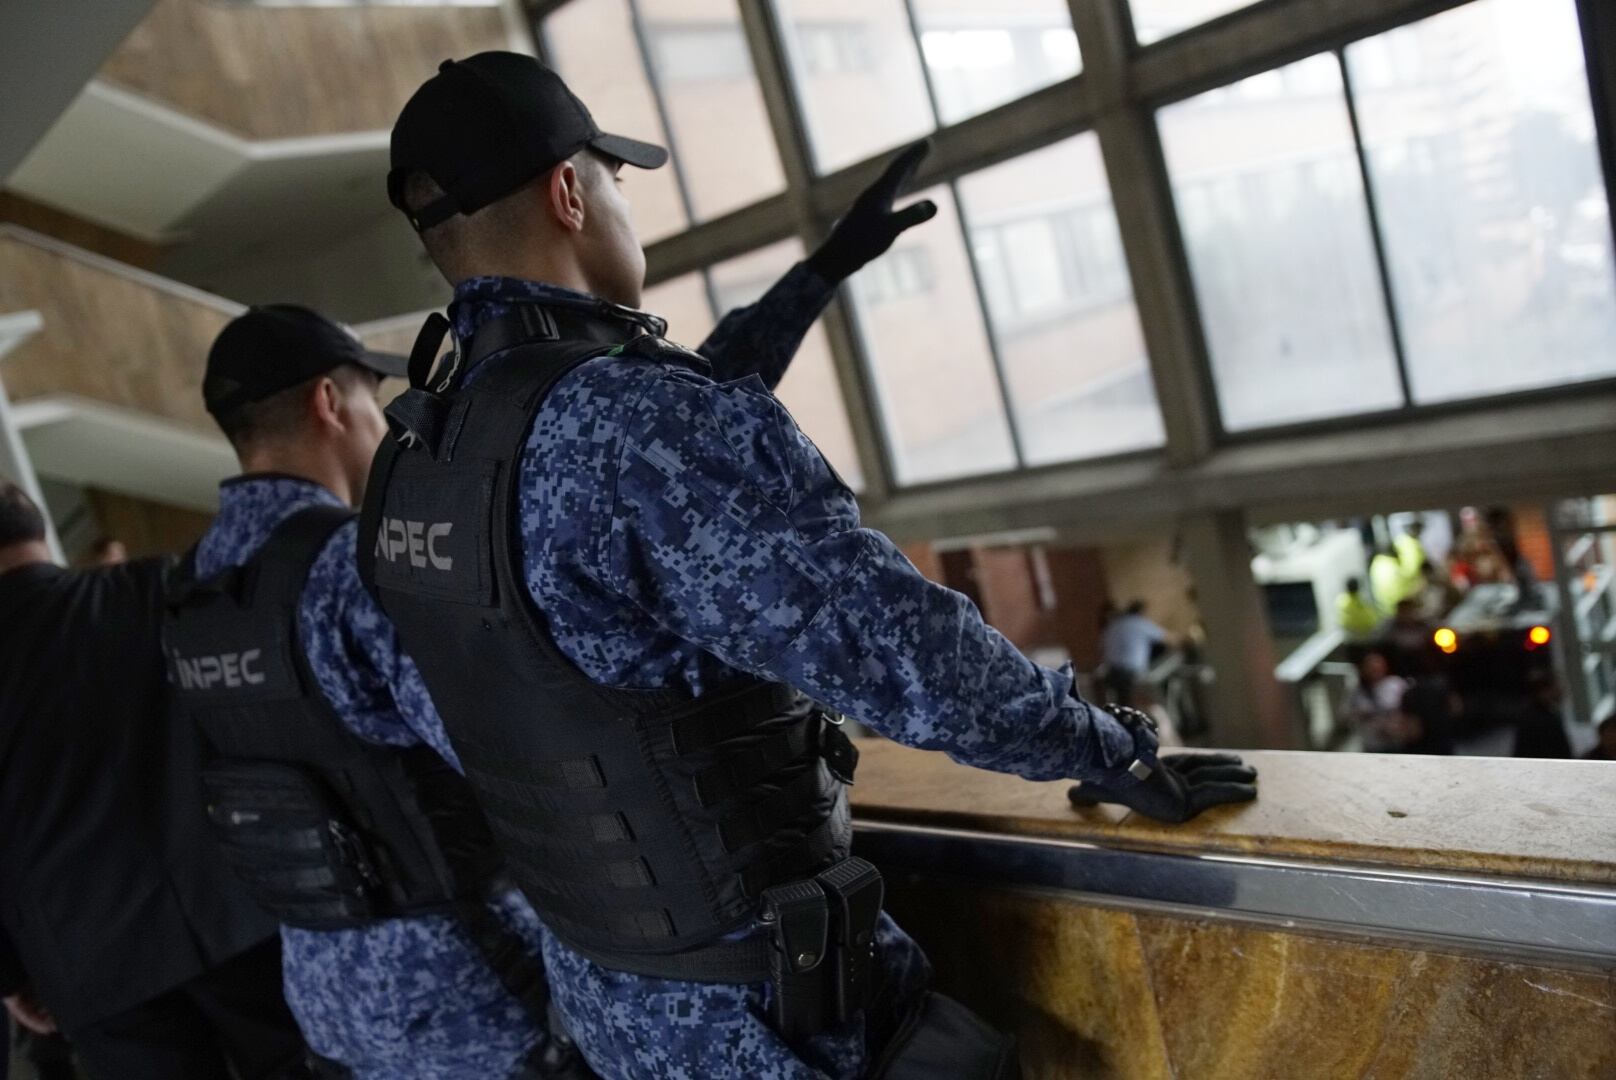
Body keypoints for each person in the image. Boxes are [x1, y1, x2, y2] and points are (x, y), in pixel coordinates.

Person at [370, 51, 1257, 1078]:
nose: (623, 207)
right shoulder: (634, 425)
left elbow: (656, 445)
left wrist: (817, 274)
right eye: (613, 179)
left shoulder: (420, 455)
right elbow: (902, 655)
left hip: (607, 993)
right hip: (761, 1010)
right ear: (570, 191)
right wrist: (1106, 747)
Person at [0, 481, 310, 1080]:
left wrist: (13, 976)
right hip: (237, 912)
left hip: (93, 966)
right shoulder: (152, 588)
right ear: (40, 531)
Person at [1100, 600, 1168, 706]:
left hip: (1112, 674)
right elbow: (1167, 639)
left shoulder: (1113, 626)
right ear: (1141, 612)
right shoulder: (1139, 623)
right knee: (1152, 701)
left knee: (1124, 704)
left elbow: (1102, 650)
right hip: (1133, 674)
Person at [1346, 650, 1416, 753]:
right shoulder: (1357, 692)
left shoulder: (1396, 684)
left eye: (1378, 664)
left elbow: (1412, 710)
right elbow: (1346, 716)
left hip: (1398, 744)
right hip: (1372, 746)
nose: (1374, 669)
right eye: (1370, 666)